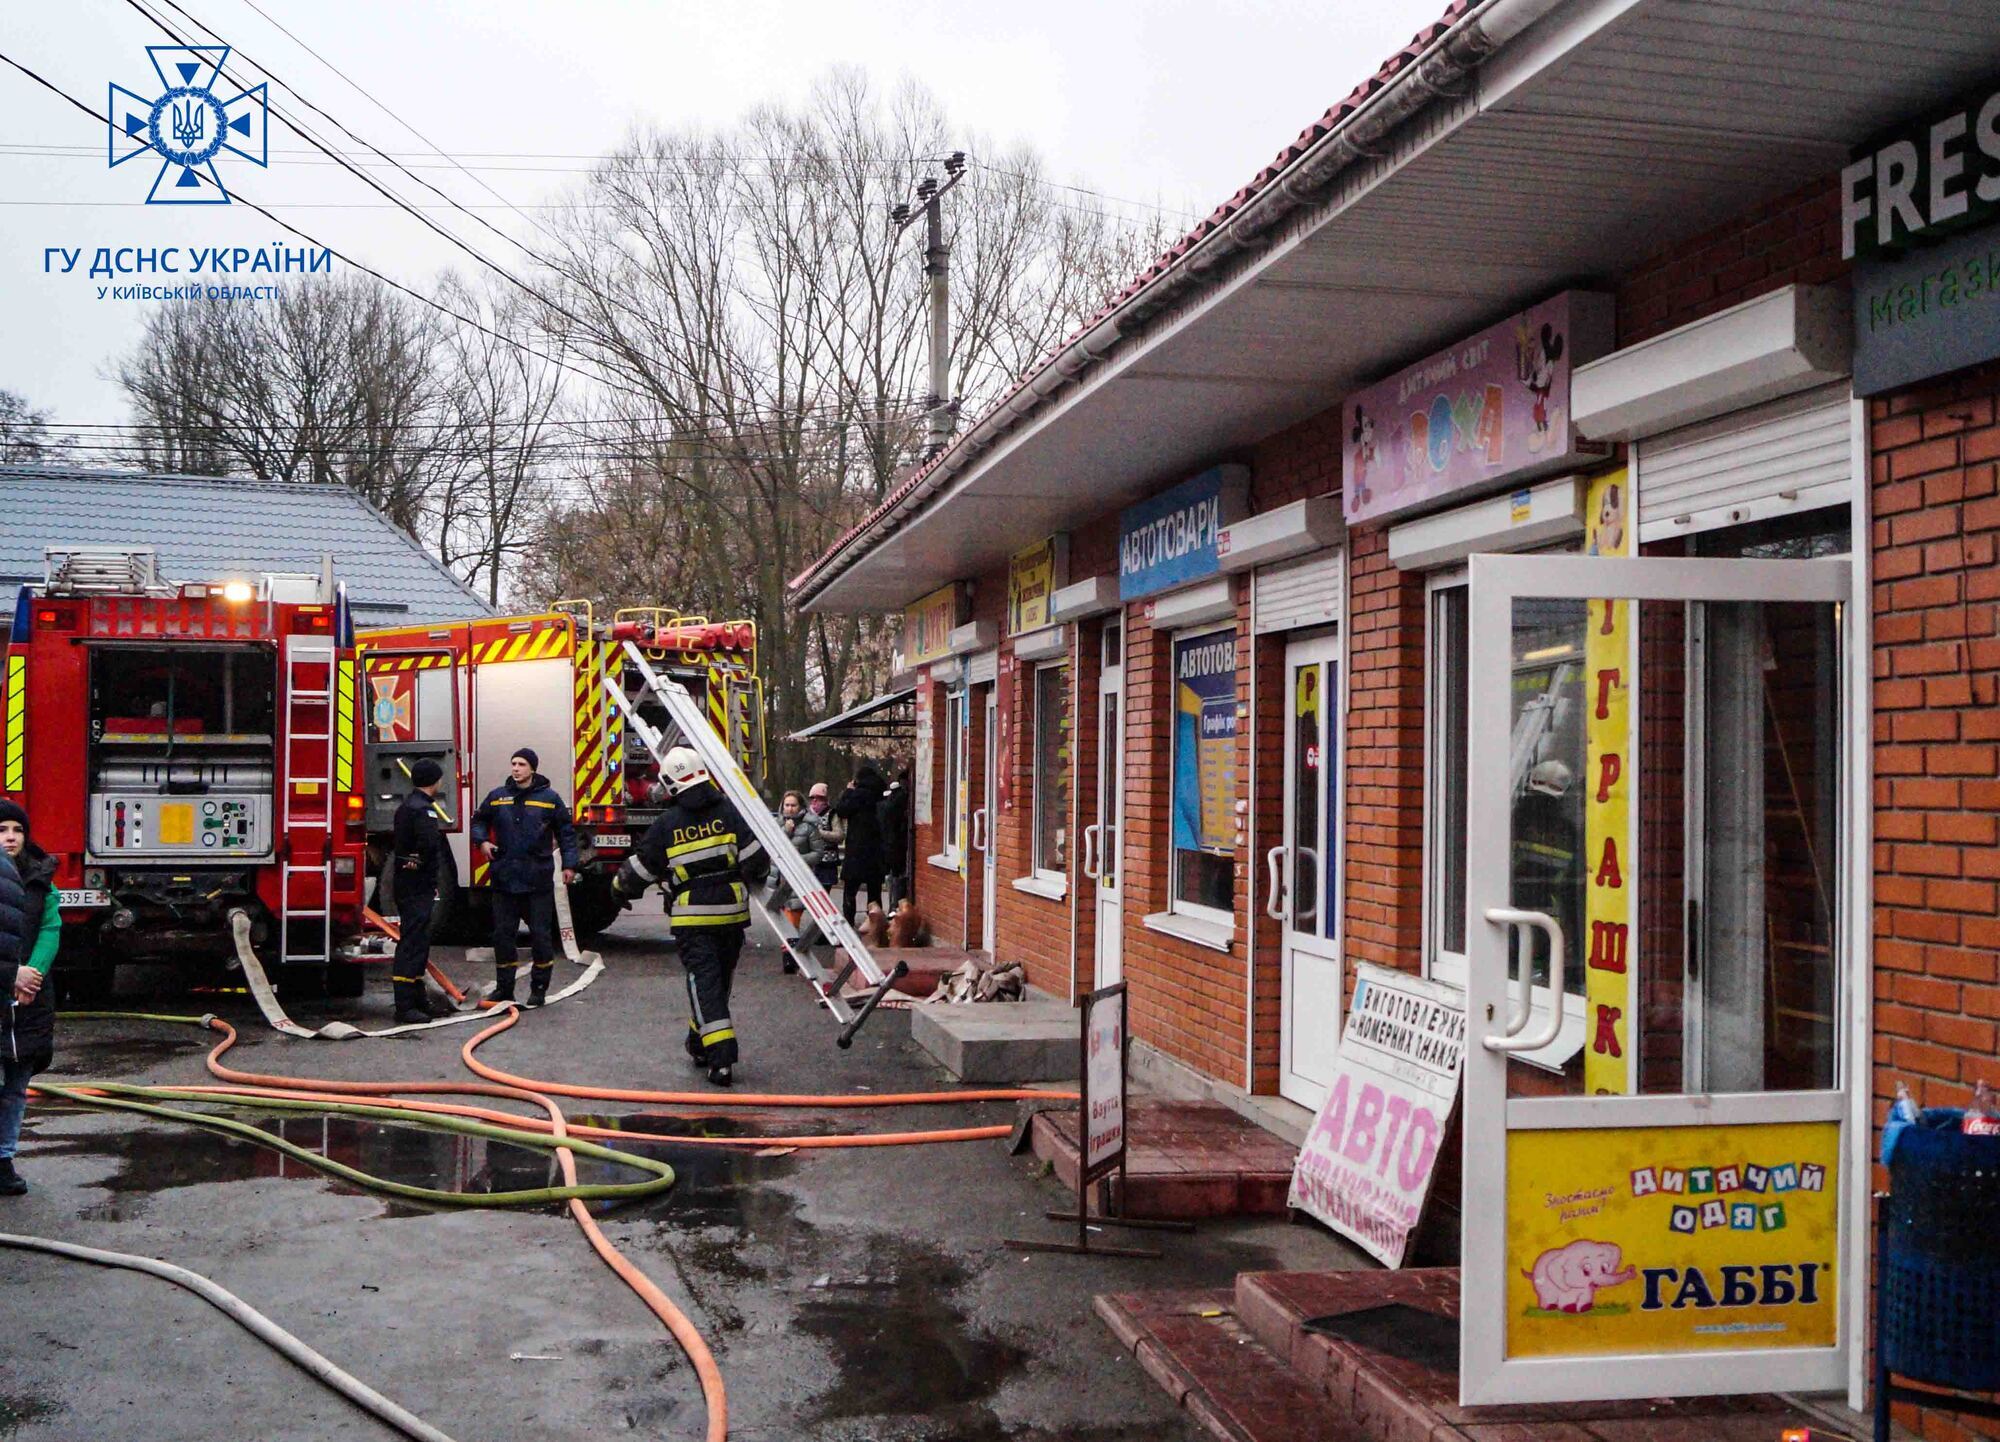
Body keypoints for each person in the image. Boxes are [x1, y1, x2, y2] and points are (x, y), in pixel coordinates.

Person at [614, 746, 769, 1087]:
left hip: (692, 919)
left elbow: (637, 872)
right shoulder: (729, 812)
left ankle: (721, 1060)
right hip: (731, 914)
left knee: (704, 983)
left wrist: (616, 888)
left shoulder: (668, 823)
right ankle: (699, 1044)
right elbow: (757, 859)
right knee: (717, 983)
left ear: (671, 783)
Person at [471, 747, 579, 1008]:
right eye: (513, 764)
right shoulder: (498, 797)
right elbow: (479, 821)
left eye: (521, 764)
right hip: (505, 879)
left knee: (541, 936)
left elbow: (566, 833)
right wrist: (482, 842)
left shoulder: (549, 799)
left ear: (532, 768)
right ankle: (504, 989)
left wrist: (569, 865)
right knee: (503, 936)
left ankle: (539, 989)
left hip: (536, 880)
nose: (516, 769)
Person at [0, 799, 57, 1197]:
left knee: (17, 1086)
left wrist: (31, 975)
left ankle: (4, 1160)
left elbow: (50, 928)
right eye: (3, 830)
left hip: (30, 1001)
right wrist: (10, 975)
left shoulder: (41, 879)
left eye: (17, 830)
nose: (10, 837)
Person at [389, 758, 450, 1025]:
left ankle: (417, 1000)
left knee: (418, 941)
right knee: (413, 943)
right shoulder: (423, 810)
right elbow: (428, 845)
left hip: (410, 884)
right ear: (434, 781)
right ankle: (405, 1005)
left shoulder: (407, 806)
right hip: (416, 887)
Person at [833, 763, 889, 926]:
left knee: (850, 889)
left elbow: (841, 810)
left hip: (857, 848)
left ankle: (849, 922)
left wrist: (848, 791)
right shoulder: (881, 794)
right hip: (876, 848)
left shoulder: (857, 795)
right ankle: (875, 923)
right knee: (874, 889)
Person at [878, 765, 912, 911]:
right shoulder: (901, 799)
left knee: (893, 874)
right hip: (898, 842)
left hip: (889, 843)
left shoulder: (884, 804)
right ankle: (895, 906)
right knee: (898, 874)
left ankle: (893, 907)